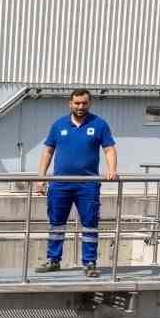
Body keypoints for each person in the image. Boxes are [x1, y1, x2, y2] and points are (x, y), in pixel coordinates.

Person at [33, 88, 118, 278]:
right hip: (60, 184)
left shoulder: (99, 125)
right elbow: (47, 152)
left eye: (84, 103)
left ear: (90, 103)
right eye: (77, 103)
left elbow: (109, 149)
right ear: (70, 103)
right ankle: (53, 260)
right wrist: (41, 178)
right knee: (56, 223)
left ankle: (89, 263)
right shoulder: (58, 125)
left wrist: (111, 169)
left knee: (90, 224)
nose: (80, 106)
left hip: (88, 184)